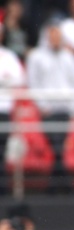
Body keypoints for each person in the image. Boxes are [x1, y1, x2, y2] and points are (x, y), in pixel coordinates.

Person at [26, 22, 74, 194]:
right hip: (48, 109)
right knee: (56, 145)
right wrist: (42, 105)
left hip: (65, 108)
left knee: (60, 146)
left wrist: (73, 106)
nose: (56, 40)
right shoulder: (36, 56)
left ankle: (56, 184)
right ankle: (62, 184)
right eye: (53, 36)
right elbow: (33, 82)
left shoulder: (69, 57)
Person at [0, 24, 25, 195]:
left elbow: (19, 79)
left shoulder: (9, 56)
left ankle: (2, 188)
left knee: (1, 151)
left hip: (3, 108)